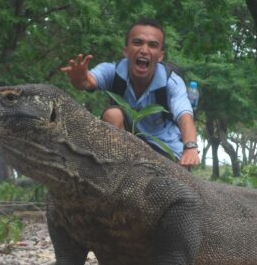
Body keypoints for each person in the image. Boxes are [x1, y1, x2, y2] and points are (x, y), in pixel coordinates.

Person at [60, 19, 200, 168]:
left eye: (152, 45)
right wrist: (80, 79)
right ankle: (116, 174)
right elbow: (87, 81)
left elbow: (184, 115)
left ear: (160, 56)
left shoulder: (172, 81)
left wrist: (190, 147)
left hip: (165, 148)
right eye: (138, 42)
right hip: (127, 145)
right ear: (126, 51)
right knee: (113, 114)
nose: (144, 50)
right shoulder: (112, 71)